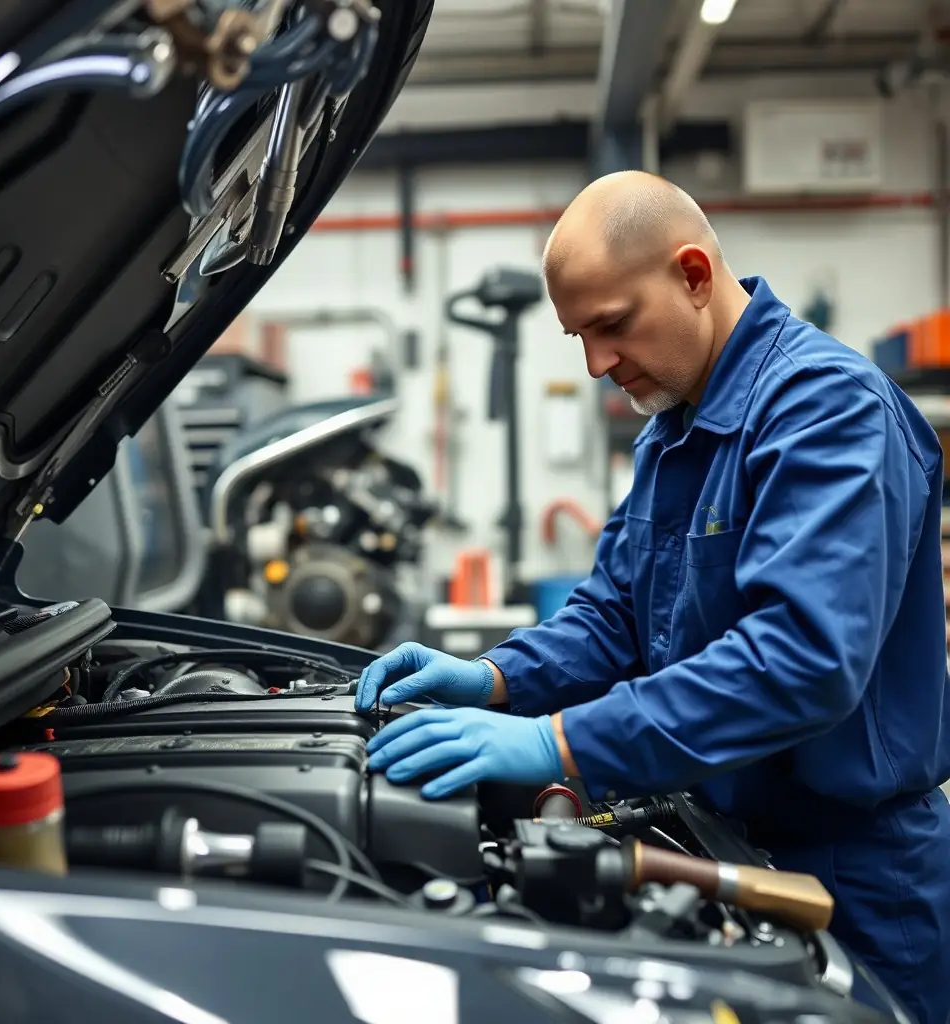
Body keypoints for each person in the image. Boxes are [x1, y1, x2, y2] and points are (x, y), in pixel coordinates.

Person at [355, 171, 950, 1024]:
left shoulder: (827, 412)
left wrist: (558, 743)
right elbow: (613, 619)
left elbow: (802, 662)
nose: (597, 364)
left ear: (695, 275)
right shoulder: (672, 434)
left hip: (857, 876)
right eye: (578, 337)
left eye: (610, 326)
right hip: (725, 846)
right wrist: (489, 678)